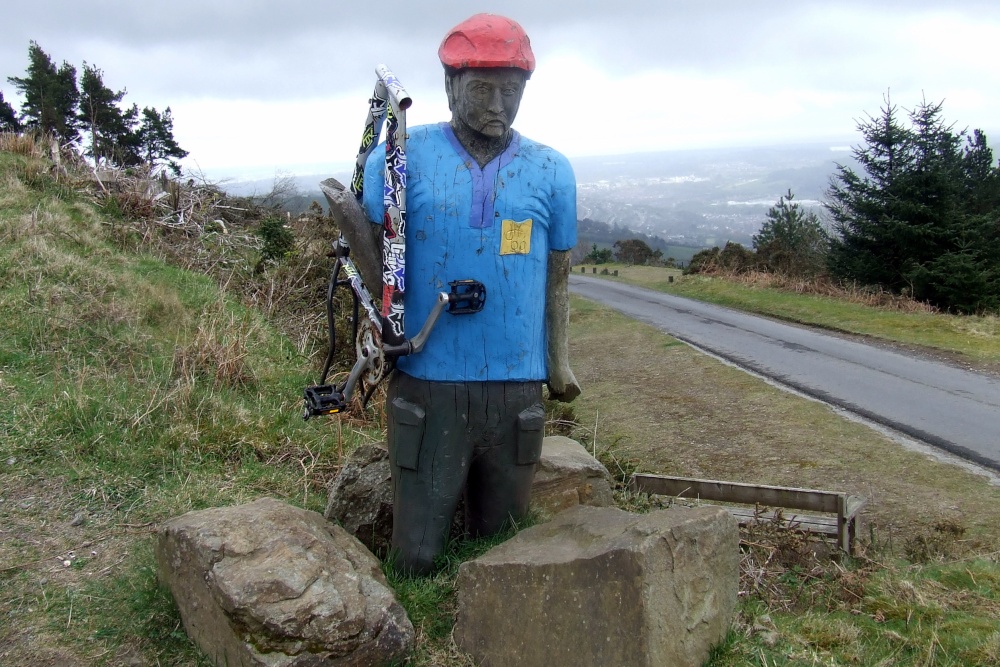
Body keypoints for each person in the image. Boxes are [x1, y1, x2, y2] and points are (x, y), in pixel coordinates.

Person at [336, 13, 580, 575]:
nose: (498, 105)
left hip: (517, 385)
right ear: (449, 86)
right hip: (428, 380)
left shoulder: (551, 172)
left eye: (510, 91)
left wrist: (558, 363)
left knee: (506, 544)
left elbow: (557, 278)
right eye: (481, 89)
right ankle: (414, 608)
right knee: (417, 548)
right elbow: (376, 265)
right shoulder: (399, 158)